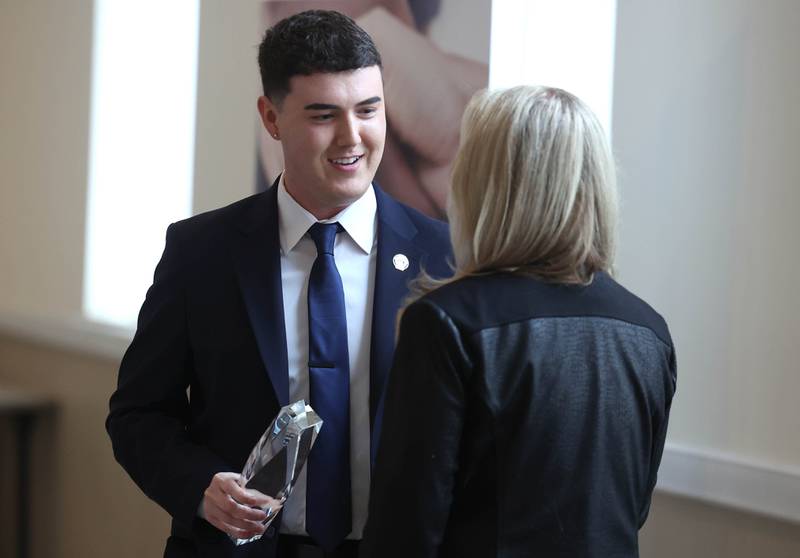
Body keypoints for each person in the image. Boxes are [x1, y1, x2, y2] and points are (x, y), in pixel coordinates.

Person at [106, 10, 451, 558]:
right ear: (271, 117)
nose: (352, 137)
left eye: (369, 110)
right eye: (323, 115)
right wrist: (200, 487)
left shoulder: (446, 255)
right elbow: (138, 415)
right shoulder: (202, 253)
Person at [360, 86, 677, 557]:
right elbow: (631, 509)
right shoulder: (649, 332)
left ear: (484, 184)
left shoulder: (445, 324)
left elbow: (406, 532)